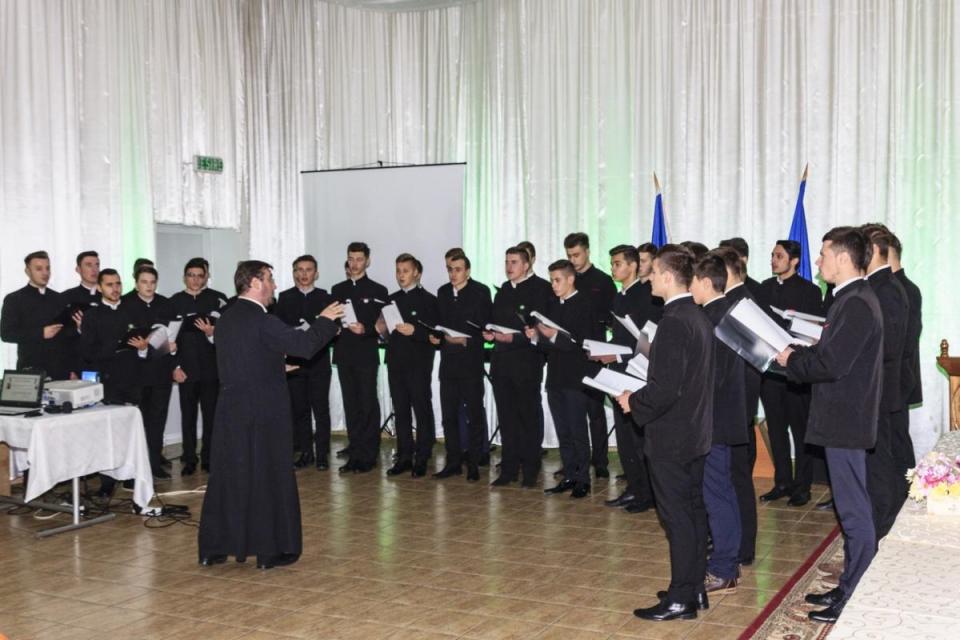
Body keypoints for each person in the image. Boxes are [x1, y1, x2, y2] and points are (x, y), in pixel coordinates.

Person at [198, 260, 342, 570]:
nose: (275, 285)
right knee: (268, 475)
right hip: (264, 411)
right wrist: (326, 320)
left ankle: (215, 548)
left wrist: (276, 366)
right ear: (254, 283)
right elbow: (304, 345)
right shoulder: (263, 319)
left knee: (229, 477)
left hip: (230, 410)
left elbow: (243, 358)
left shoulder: (227, 318)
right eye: (270, 279)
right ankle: (271, 550)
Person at [775, 227, 883, 623]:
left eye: (823, 255)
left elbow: (832, 365)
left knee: (854, 512)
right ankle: (848, 584)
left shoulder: (856, 302)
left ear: (843, 258)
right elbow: (832, 354)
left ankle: (855, 593)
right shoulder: (850, 298)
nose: (818, 262)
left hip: (846, 422)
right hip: (843, 420)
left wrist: (791, 359)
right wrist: (803, 353)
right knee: (850, 510)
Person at [615, 245, 714, 621]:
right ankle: (693, 587)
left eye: (654, 272)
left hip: (673, 436)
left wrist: (632, 401)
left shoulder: (673, 321)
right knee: (692, 512)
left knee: (677, 518)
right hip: (694, 432)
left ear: (669, 277)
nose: (649, 277)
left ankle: (680, 598)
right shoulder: (696, 314)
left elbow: (665, 388)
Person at [690, 252, 747, 595]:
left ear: (706, 283)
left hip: (714, 419)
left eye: (693, 282)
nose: (690, 288)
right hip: (721, 417)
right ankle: (727, 561)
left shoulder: (714, 317)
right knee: (719, 491)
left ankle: (724, 567)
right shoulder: (723, 312)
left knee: (717, 494)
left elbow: (712, 376)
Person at [756, 240, 823, 506]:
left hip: (797, 371)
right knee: (776, 430)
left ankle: (802, 486)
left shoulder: (811, 291)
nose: (773, 260)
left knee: (800, 429)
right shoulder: (764, 288)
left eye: (779, 256)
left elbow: (814, 331)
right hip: (770, 370)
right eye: (772, 255)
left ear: (794, 261)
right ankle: (782, 481)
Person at [530, 259, 599, 498]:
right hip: (555, 377)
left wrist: (553, 335)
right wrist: (536, 336)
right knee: (563, 430)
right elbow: (546, 348)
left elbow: (583, 343)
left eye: (557, 280)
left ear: (571, 279)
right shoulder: (552, 305)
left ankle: (583, 479)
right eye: (551, 280)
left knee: (578, 430)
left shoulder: (585, 304)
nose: (553, 285)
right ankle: (569, 474)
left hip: (576, 377)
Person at [80, 269, 151, 497]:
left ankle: (131, 475)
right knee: (107, 434)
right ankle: (107, 481)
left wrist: (143, 348)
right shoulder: (92, 315)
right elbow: (87, 352)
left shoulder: (132, 311)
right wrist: (115, 346)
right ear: (100, 287)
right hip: (107, 382)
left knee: (131, 431)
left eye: (118, 284)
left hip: (132, 379)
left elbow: (143, 347)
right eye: (110, 284)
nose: (115, 289)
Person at [484, 246, 550, 487]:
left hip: (527, 364)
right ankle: (509, 469)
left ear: (526, 264)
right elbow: (494, 320)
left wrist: (514, 337)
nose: (509, 267)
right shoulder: (503, 290)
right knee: (507, 418)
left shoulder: (541, 288)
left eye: (513, 262)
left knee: (528, 419)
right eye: (506, 262)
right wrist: (490, 333)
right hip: (501, 364)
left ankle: (530, 470)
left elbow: (542, 330)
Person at [861, 224, 909, 539]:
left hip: (880, 389)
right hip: (873, 389)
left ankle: (883, 526)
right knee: (876, 463)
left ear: (875, 252)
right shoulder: (874, 287)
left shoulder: (887, 288)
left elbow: (890, 346)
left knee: (881, 465)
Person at [714, 246, 760, 565]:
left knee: (737, 478)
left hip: (737, 403)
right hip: (738, 403)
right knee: (733, 477)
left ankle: (743, 546)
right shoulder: (737, 300)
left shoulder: (738, 303)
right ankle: (737, 542)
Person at [600, 245, 655, 513]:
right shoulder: (619, 295)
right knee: (624, 437)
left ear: (633, 266)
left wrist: (618, 355)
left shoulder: (645, 295)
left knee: (637, 437)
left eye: (618, 263)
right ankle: (633, 487)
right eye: (612, 264)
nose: (613, 269)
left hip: (637, 372)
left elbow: (645, 340)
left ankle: (647, 494)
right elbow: (620, 335)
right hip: (619, 372)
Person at [376, 253, 439, 478]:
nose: (400, 275)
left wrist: (415, 331)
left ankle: (422, 456)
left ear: (417, 273)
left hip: (418, 363)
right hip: (395, 361)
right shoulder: (390, 299)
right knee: (400, 410)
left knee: (421, 409)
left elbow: (435, 335)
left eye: (405, 271)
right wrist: (380, 329)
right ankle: (404, 456)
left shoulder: (430, 300)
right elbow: (384, 333)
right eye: (398, 271)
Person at [432, 248, 491, 481]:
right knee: (449, 416)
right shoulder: (443, 292)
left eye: (457, 270)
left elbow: (486, 326)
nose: (453, 274)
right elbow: (439, 323)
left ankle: (474, 462)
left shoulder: (480, 291)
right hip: (448, 364)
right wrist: (437, 336)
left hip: (471, 363)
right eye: (450, 270)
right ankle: (453, 461)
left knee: (474, 414)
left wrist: (467, 339)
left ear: (467, 270)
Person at [273, 255, 336, 471]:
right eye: (299, 270)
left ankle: (322, 454)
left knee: (321, 409)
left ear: (316, 273)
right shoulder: (284, 298)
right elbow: (278, 330)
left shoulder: (325, 297)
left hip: (319, 362)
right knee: (299, 410)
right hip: (294, 363)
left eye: (308, 270)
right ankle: (306, 452)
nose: (304, 274)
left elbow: (334, 329)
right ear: (294, 273)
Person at [331, 242, 389, 473]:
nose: (354, 263)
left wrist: (366, 329)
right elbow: (333, 320)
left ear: (367, 261)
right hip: (344, 354)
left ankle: (368, 454)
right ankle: (355, 453)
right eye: (351, 258)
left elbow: (384, 324)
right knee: (351, 405)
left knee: (367, 404)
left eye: (359, 259)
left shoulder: (378, 290)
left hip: (366, 355)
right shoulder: (337, 289)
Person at [170, 258, 228, 476]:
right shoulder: (174, 302)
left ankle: (209, 458)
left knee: (211, 416)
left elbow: (228, 335)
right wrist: (175, 366)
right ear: (184, 277)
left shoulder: (217, 299)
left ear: (206, 277)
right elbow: (168, 339)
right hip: (185, 369)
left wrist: (212, 333)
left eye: (199, 276)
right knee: (188, 416)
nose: (195, 280)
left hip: (211, 369)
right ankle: (189, 459)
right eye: (190, 275)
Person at [564, 232, 616, 478]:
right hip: (569, 354)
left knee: (595, 410)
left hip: (595, 353)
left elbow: (613, 316)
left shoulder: (603, 281)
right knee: (572, 412)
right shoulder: (567, 279)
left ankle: (601, 461)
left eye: (576, 255)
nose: (573, 260)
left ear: (587, 252)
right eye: (569, 256)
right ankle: (575, 460)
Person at [121, 266, 178, 479]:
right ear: (136, 283)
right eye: (144, 282)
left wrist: (173, 348)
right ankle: (136, 468)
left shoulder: (166, 304)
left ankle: (154, 463)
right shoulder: (126, 305)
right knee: (138, 422)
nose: (149, 286)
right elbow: (124, 342)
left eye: (152, 282)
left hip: (161, 372)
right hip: (136, 375)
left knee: (158, 421)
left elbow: (174, 334)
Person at [1, 251, 75, 380]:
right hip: (31, 371)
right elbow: (7, 334)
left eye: (47, 268)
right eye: (39, 269)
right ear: (27, 271)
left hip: (60, 372)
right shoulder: (14, 299)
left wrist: (77, 328)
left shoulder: (59, 298)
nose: (45, 273)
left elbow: (67, 336)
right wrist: (41, 333)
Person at [888, 231, 922, 482]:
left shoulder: (906, 289)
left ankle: (907, 491)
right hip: (888, 379)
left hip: (897, 378)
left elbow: (907, 341)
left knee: (898, 439)